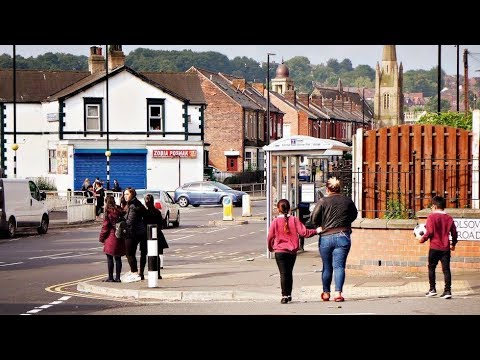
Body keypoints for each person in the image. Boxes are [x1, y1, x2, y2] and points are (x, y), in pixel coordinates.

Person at [309, 177, 358, 302]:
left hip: (326, 236)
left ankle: (326, 293)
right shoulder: (347, 201)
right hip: (343, 235)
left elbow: (314, 218)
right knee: (339, 266)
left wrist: (319, 226)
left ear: (327, 189)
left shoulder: (323, 201)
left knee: (327, 267)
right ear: (339, 189)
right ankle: (338, 293)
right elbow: (354, 215)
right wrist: (345, 222)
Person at [267, 199, 322, 304]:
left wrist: (270, 248)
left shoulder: (275, 221)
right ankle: (289, 294)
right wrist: (316, 231)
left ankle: (284, 296)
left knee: (283, 273)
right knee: (289, 272)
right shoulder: (294, 219)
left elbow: (270, 237)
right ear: (289, 208)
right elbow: (304, 232)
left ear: (278, 209)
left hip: (279, 251)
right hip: (291, 252)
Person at [419, 195, 458, 299]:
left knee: (431, 267)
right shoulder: (449, 218)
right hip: (445, 248)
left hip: (434, 247)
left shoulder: (431, 217)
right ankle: (448, 291)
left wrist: (422, 239)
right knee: (446, 269)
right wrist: (453, 244)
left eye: (432, 206)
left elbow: (430, 232)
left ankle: (432, 289)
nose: (431, 208)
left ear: (435, 206)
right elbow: (454, 232)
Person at [98, 195, 126, 282]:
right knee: (118, 258)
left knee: (110, 257)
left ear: (106, 202)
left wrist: (101, 238)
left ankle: (110, 277)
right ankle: (118, 278)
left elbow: (105, 227)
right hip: (120, 236)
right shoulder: (119, 210)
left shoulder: (108, 212)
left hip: (111, 236)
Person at [122, 187, 148, 282]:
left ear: (132, 194)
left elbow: (130, 221)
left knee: (129, 254)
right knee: (132, 253)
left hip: (132, 233)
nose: (125, 196)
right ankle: (135, 272)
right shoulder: (136, 203)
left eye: (127, 194)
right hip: (139, 232)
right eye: (124, 194)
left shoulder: (133, 205)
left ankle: (135, 273)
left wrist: (121, 222)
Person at [143, 194, 169, 278]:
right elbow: (161, 224)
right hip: (157, 235)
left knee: (144, 255)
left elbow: (143, 224)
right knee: (156, 255)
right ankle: (157, 274)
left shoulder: (145, 213)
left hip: (147, 235)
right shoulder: (157, 212)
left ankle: (141, 274)